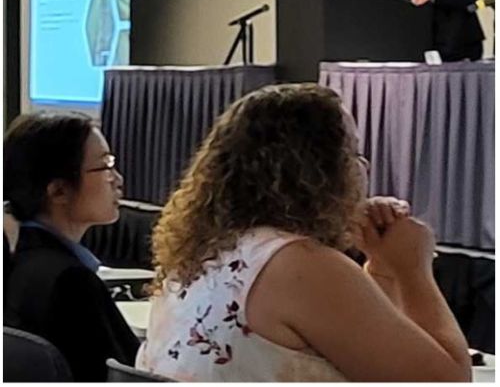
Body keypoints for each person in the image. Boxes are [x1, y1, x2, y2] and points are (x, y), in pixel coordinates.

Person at [136, 83, 471, 382]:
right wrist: (413, 271)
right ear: (321, 172)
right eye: (352, 154)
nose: (362, 168)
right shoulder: (299, 265)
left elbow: (372, 354)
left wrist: (381, 266)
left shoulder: (207, 251)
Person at [4, 112, 139, 381]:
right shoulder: (69, 282)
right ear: (58, 191)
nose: (119, 180)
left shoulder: (18, 259)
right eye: (105, 167)